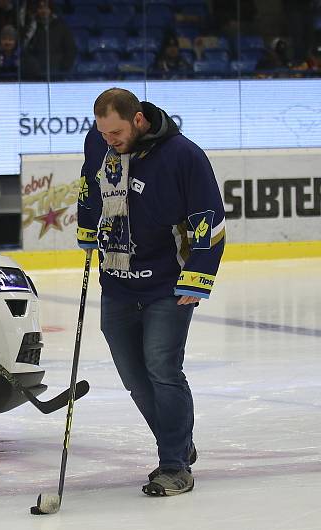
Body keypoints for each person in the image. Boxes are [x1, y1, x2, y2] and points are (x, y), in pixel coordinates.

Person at [76, 88, 225, 497]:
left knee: (162, 370)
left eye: (117, 132)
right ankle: (178, 441)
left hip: (167, 286)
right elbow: (89, 185)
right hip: (117, 284)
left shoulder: (183, 155)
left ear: (139, 119)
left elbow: (208, 219)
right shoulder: (98, 142)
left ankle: (174, 465)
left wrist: (198, 275)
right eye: (104, 133)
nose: (109, 140)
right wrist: (88, 227)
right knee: (135, 379)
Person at [22, 0, 77, 77]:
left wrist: (63, 68)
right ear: (37, 10)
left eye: (46, 8)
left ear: (51, 10)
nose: (43, 11)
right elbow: (25, 49)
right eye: (40, 8)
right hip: (35, 75)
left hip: (57, 73)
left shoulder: (61, 26)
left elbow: (70, 49)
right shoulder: (31, 27)